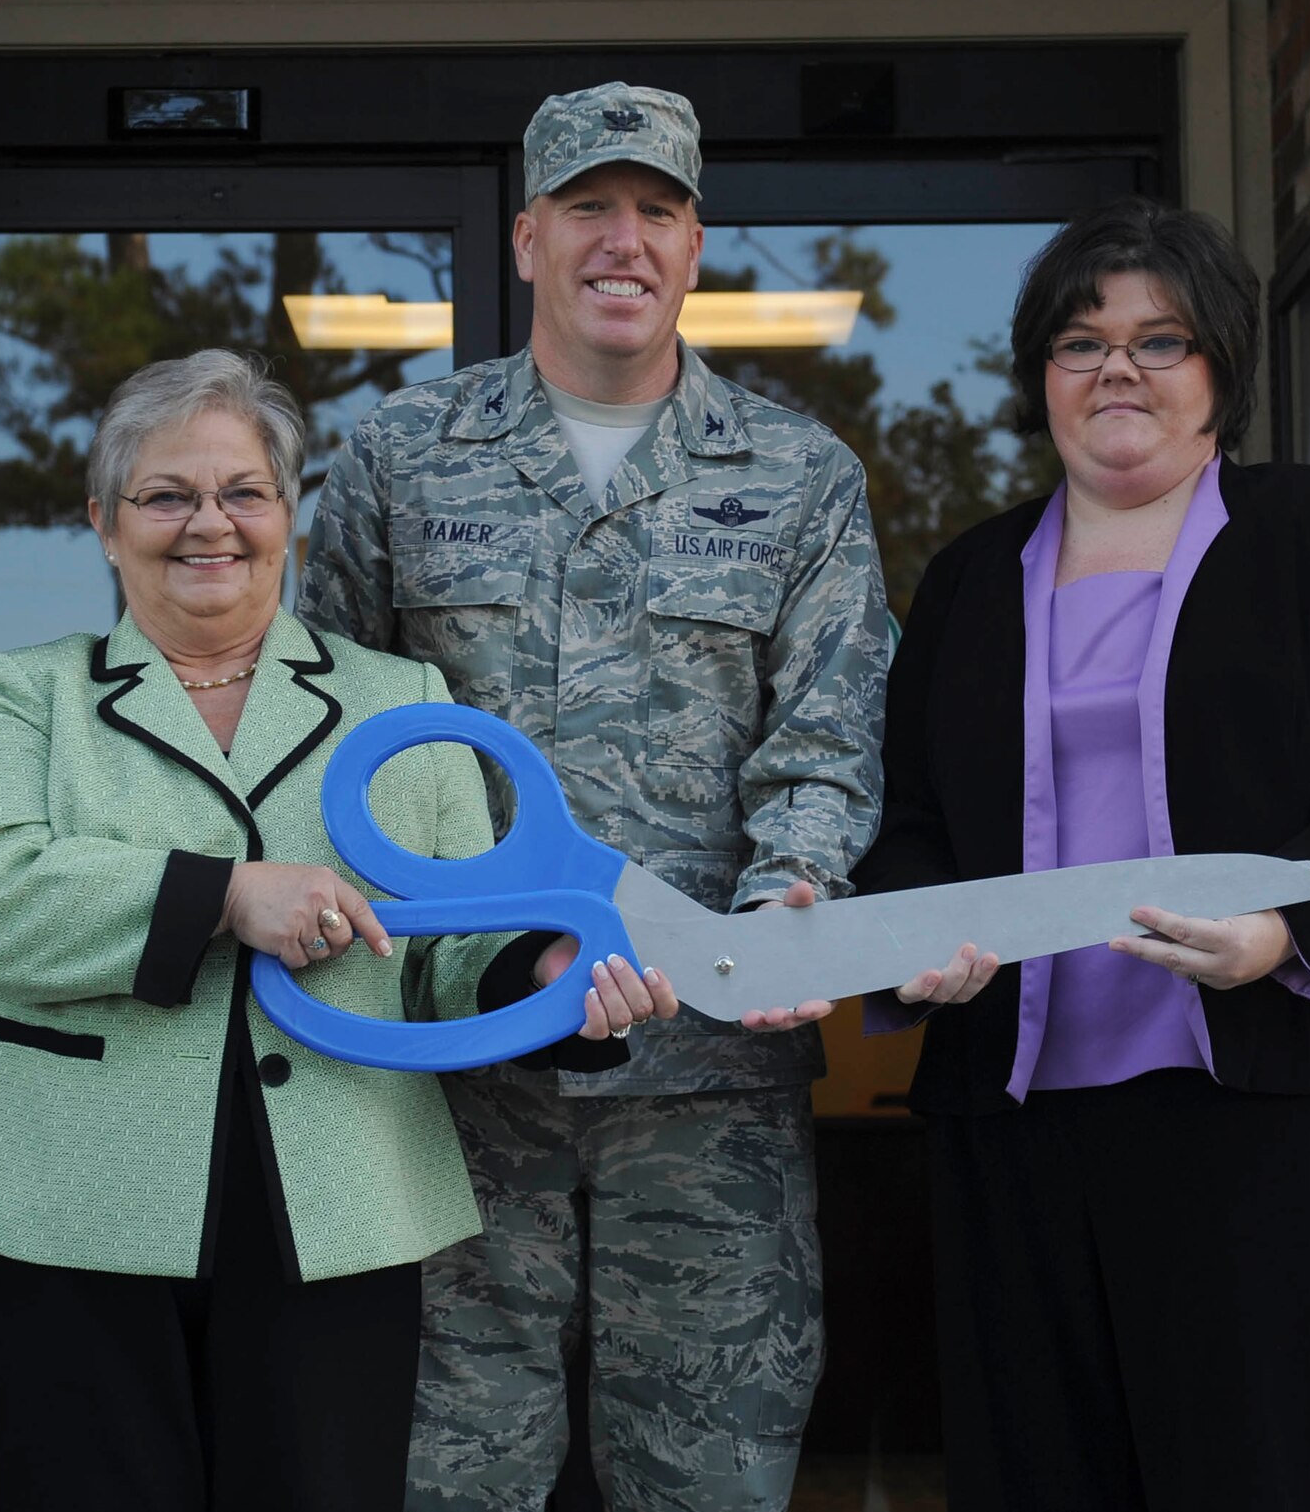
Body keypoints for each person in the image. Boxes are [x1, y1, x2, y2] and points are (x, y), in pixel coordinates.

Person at [0, 349, 675, 1512]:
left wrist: (545, 971)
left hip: (334, 1192)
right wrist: (220, 895)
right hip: (70, 1197)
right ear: (104, 525)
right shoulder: (33, 692)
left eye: (243, 492)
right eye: (165, 495)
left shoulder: (399, 700)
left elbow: (450, 947)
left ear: (288, 518)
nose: (208, 523)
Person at [853, 196, 1310, 1511]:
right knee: (1037, 1476)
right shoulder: (970, 579)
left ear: (1220, 372)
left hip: (1260, 1104)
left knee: (1256, 1471)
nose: (1118, 369)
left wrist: (1292, 927)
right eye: (1081, 340)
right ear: (1039, 371)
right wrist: (910, 939)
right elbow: (914, 821)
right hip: (1018, 1113)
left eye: (1162, 341)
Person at [300, 82, 888, 1511]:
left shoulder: (800, 479)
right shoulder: (398, 457)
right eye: (588, 207)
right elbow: (333, 734)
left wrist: (788, 903)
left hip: (711, 1081)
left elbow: (824, 740)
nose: (622, 240)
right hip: (454, 1070)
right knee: (445, 1478)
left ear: (696, 247)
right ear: (526, 238)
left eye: (657, 211)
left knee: (713, 1475)